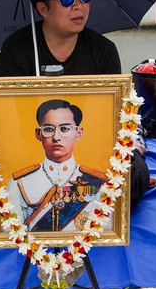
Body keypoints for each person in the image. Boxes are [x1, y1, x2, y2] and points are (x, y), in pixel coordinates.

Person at [0, 0, 153, 203]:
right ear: (42, 9)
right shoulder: (16, 50)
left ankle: (137, 150)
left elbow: (109, 121)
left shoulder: (103, 51)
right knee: (11, 196)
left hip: (92, 145)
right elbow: (9, 120)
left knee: (127, 188)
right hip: (34, 147)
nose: (79, 5)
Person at [7, 99, 108, 232]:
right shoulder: (20, 182)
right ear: (38, 134)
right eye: (48, 129)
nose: (56, 137)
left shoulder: (98, 182)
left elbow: (105, 228)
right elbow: (13, 232)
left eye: (64, 129)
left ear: (78, 133)